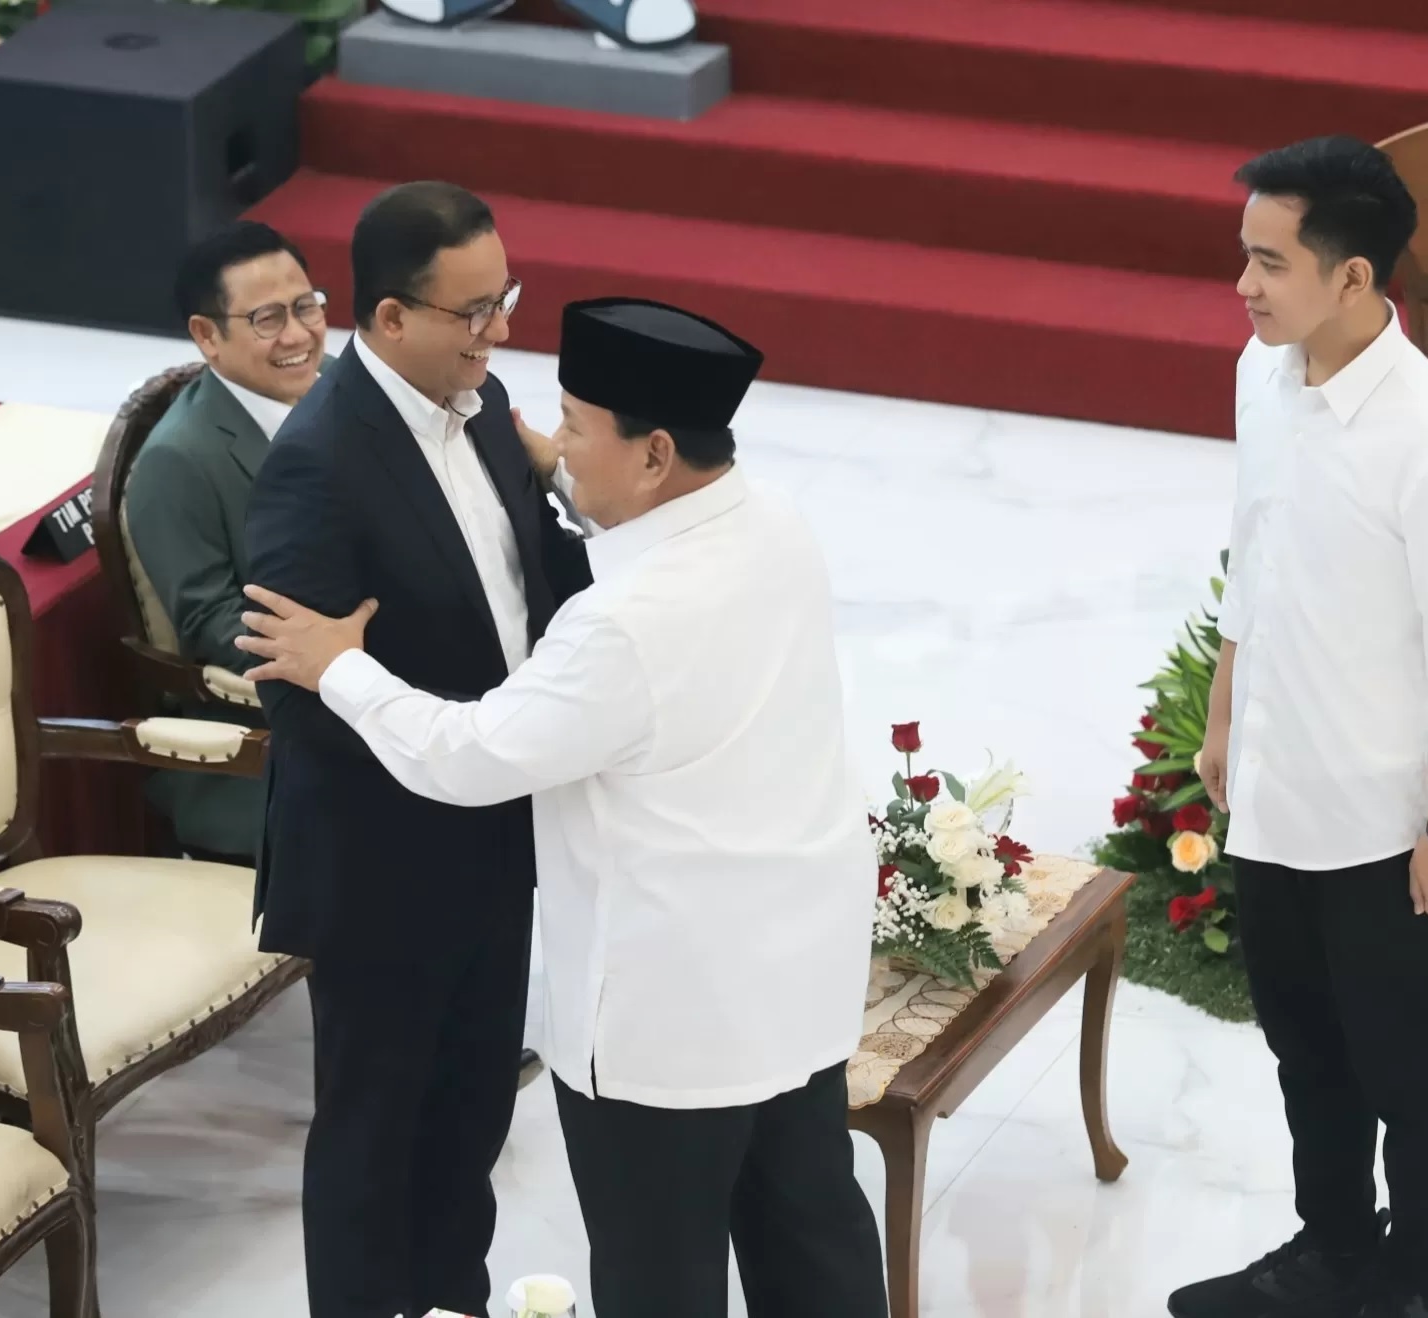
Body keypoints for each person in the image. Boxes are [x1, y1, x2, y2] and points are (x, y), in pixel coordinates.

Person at [236, 296, 890, 1318]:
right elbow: (614, 498)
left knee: (658, 1279)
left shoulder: (624, 625)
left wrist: (342, 668)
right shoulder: (771, 520)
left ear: (657, 451)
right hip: (794, 983)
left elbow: (470, 753)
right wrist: (555, 462)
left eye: (576, 424)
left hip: (666, 1019)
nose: (557, 444)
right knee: (815, 1243)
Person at [1170, 136, 1428, 1318]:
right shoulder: (1259, 375)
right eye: (1244, 257)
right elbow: (1251, 559)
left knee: (1410, 1071)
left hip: (1384, 830)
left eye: (1269, 262)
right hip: (1276, 798)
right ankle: (1329, 1249)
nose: (1245, 286)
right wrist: (1223, 717)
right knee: (1306, 1053)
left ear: (1357, 278)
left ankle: (1419, 1283)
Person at [242, 181, 592, 1318]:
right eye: (474, 312)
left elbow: (530, 578)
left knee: (474, 1105)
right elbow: (298, 687)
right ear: (390, 319)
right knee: (374, 1130)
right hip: (383, 861)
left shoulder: (481, 404)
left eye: (505, 300)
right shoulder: (318, 458)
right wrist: (445, 747)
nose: (499, 333)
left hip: (500, 823)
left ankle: (454, 1300)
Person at [124, 221, 328, 862]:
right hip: (275, 733)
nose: (298, 336)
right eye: (267, 319)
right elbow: (215, 627)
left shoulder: (343, 390)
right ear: (207, 335)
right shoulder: (178, 463)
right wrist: (354, 660)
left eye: (306, 307)